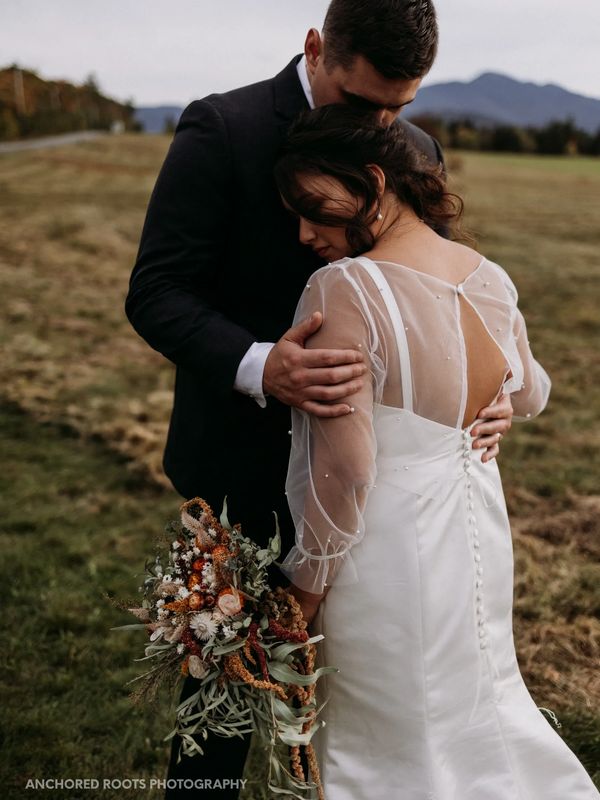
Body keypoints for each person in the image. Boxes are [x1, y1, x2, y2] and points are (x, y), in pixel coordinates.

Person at [125, 1, 513, 796]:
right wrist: (260, 365)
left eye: (398, 111)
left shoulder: (413, 149)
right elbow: (157, 291)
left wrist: (487, 394)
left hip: (385, 502)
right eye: (362, 104)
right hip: (243, 469)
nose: (382, 128)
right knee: (221, 709)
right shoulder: (223, 129)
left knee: (382, 708)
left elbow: (443, 295)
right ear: (314, 50)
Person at [274, 103, 599, 799]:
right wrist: (499, 393)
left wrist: (303, 590)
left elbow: (349, 468)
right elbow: (533, 388)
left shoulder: (344, 289)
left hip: (384, 557)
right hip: (475, 541)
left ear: (371, 180)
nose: (304, 232)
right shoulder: (489, 276)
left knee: (383, 747)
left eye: (314, 207)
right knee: (473, 713)